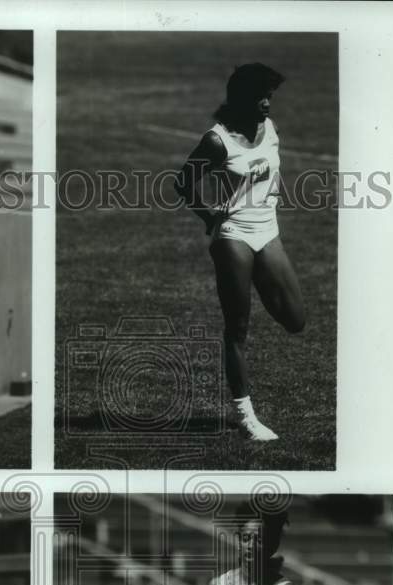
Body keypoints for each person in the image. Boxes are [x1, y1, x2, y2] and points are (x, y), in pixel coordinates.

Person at [174, 63, 306, 442]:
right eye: (261, 96)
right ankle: (246, 417)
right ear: (243, 98)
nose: (267, 102)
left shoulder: (270, 128)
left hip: (268, 231)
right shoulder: (218, 141)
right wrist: (209, 217)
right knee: (238, 329)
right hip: (233, 236)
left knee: (296, 320)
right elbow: (182, 182)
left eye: (271, 96)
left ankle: (261, 281)